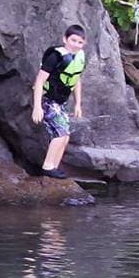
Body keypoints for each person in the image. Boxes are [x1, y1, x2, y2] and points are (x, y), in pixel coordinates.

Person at [32, 23, 89, 178]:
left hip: (60, 103)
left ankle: (54, 167)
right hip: (48, 100)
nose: (76, 45)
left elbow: (76, 79)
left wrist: (78, 104)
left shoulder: (79, 57)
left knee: (65, 137)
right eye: (73, 40)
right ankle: (48, 167)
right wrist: (37, 107)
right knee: (60, 134)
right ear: (65, 39)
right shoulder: (55, 56)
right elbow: (39, 81)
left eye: (80, 42)